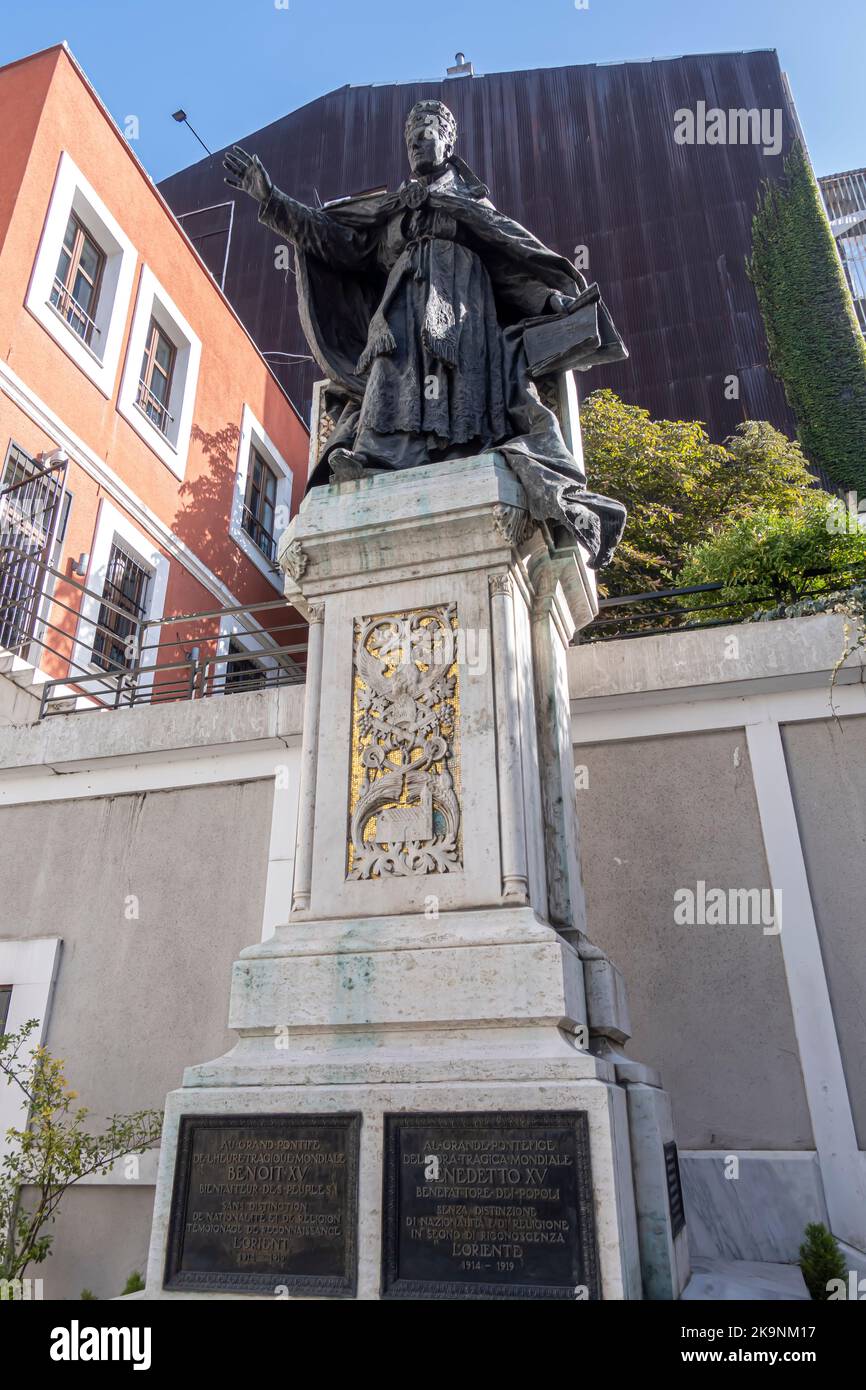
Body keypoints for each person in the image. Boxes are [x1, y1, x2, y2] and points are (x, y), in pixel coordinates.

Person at [225, 99, 627, 566]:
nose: (416, 140)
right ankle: (372, 459)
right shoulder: (395, 211)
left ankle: (461, 449)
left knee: (457, 389)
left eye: (426, 131)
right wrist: (273, 201)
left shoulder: (470, 205)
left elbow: (508, 261)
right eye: (410, 134)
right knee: (389, 372)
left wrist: (550, 302)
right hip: (401, 308)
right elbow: (338, 243)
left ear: (448, 141)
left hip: (463, 309)